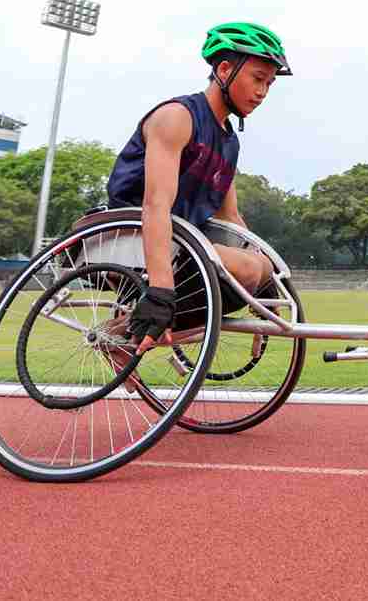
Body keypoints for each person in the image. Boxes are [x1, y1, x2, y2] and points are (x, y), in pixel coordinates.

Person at [106, 22, 291, 354]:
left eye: (269, 84)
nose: (263, 92)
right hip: (133, 239)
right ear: (224, 69)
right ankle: (127, 329)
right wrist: (161, 290)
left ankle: (120, 335)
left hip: (187, 245)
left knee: (263, 266)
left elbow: (230, 216)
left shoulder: (229, 142)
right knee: (249, 267)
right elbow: (156, 205)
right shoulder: (177, 117)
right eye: (258, 78)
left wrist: (266, 288)